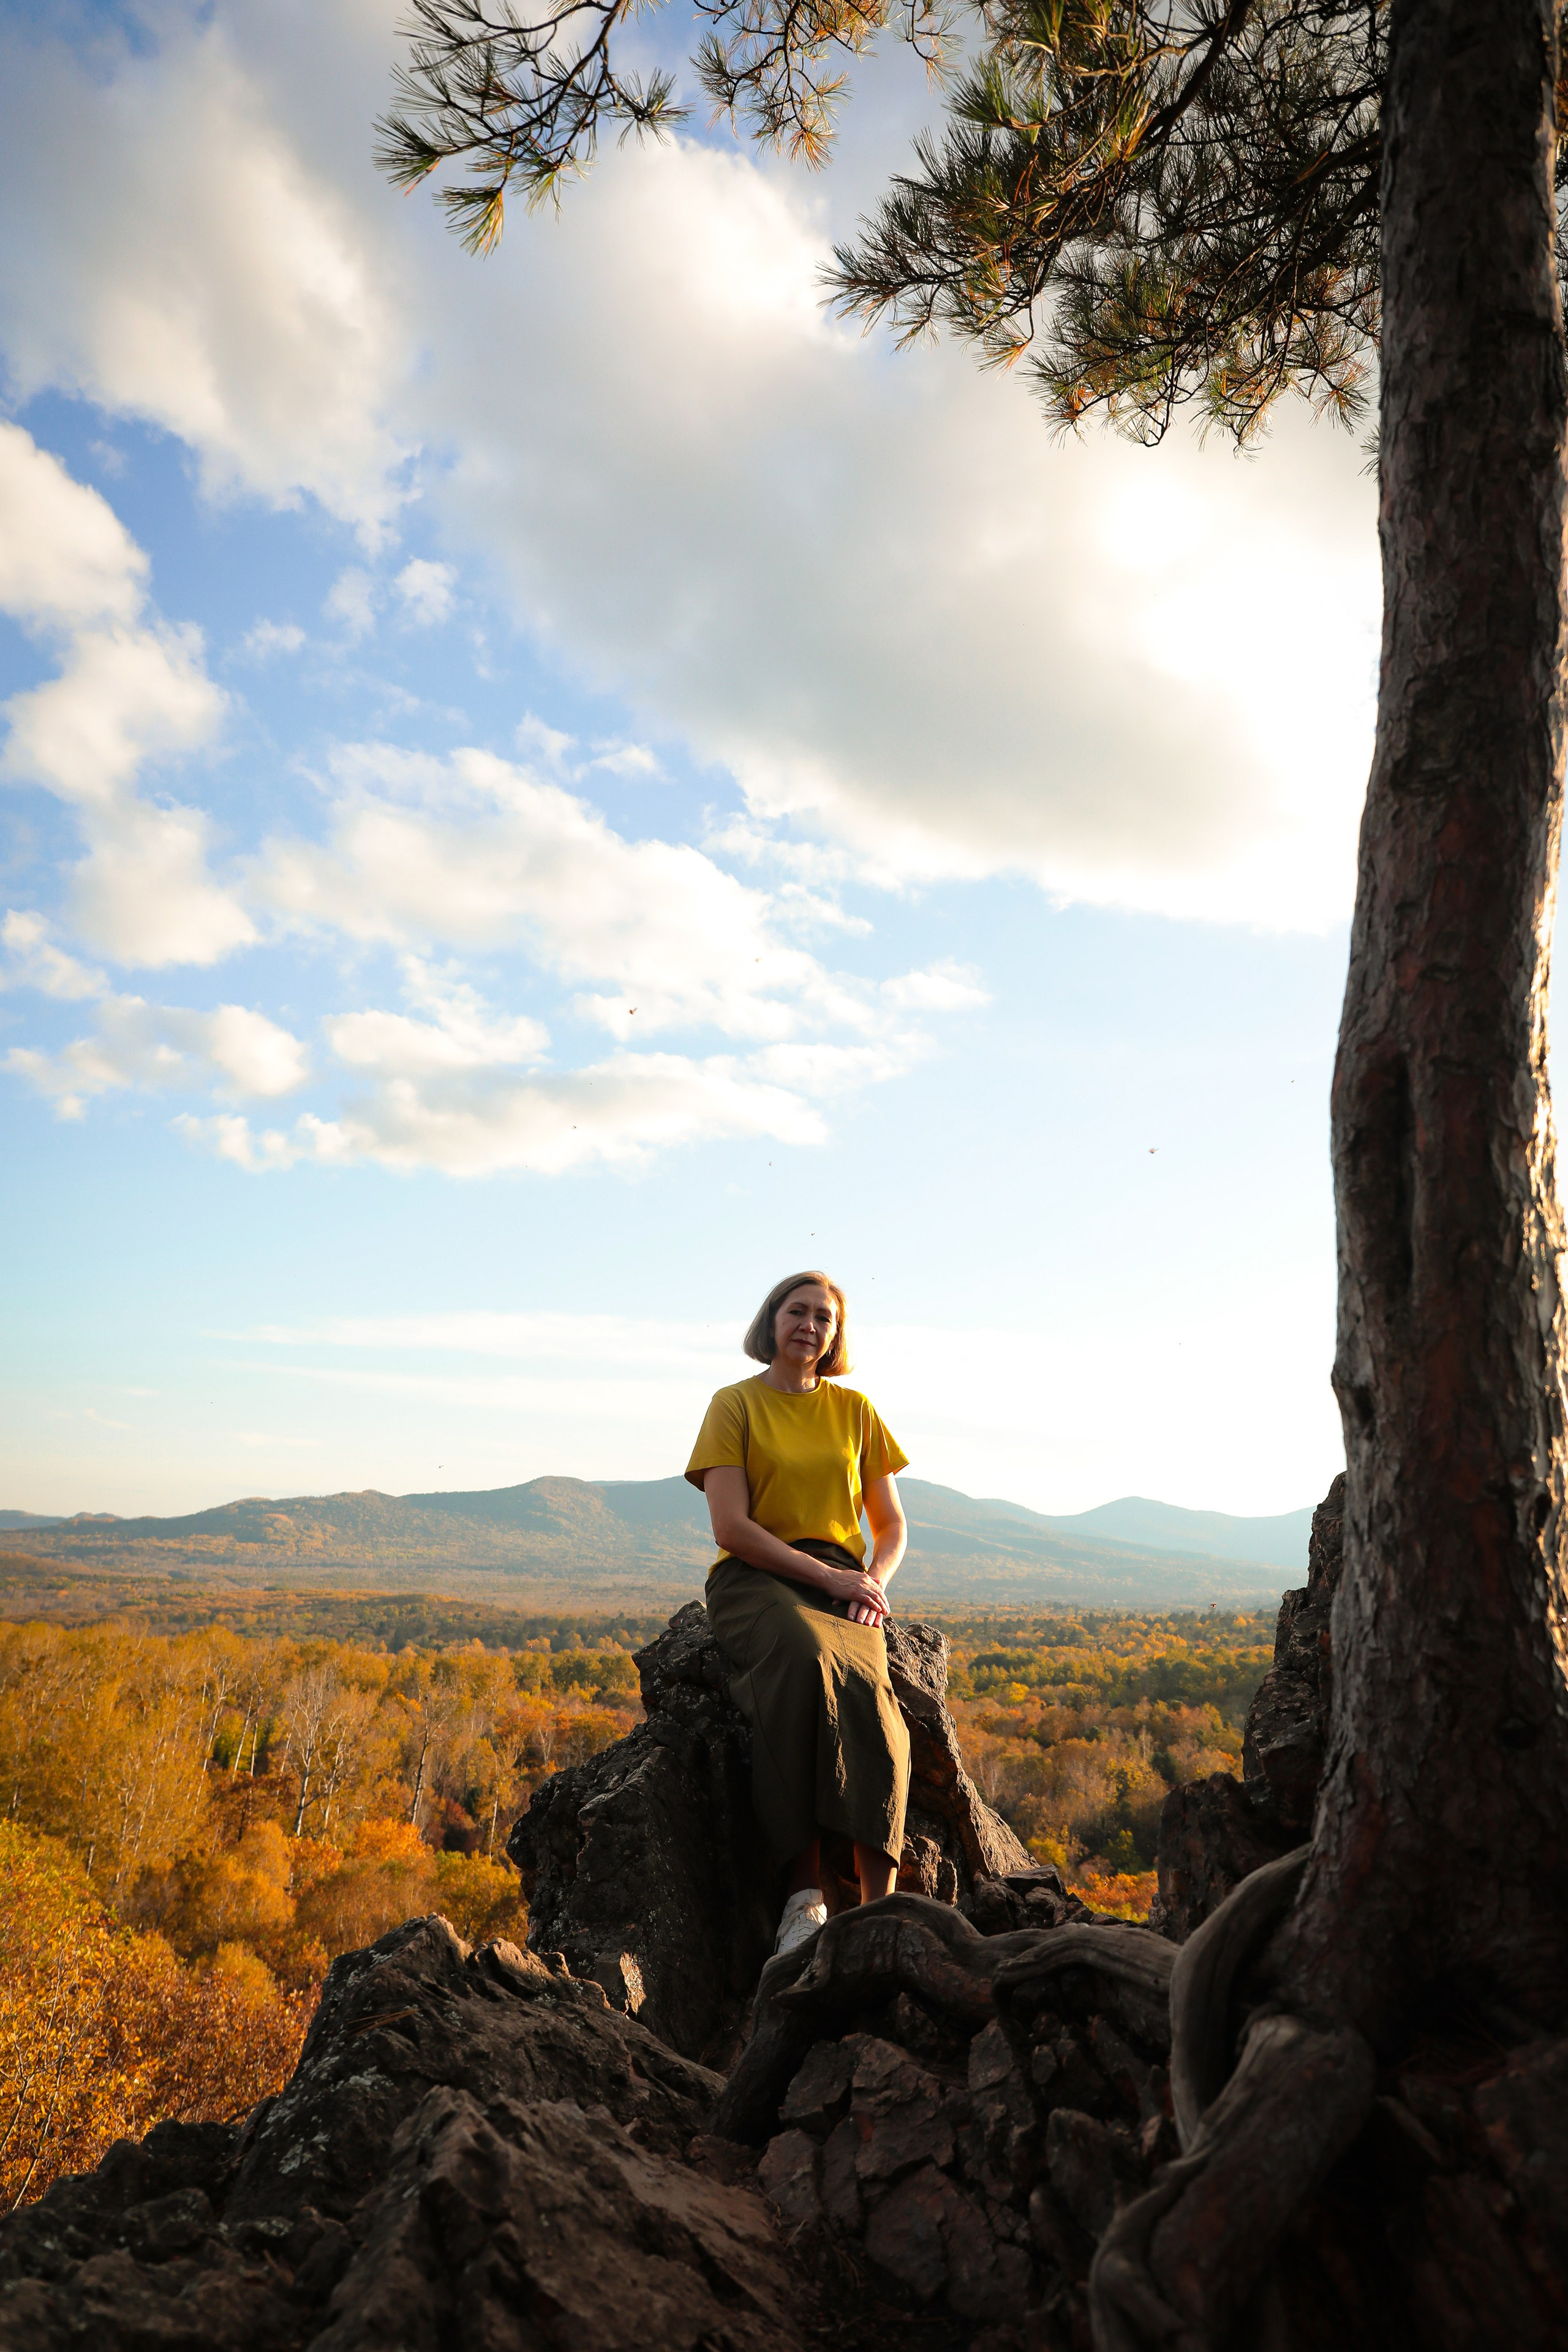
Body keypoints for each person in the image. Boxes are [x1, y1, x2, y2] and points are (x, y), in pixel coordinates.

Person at [684, 1269, 911, 1961]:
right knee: (804, 1661)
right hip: (757, 1578)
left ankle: (884, 1909)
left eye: (824, 1318)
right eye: (797, 1312)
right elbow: (731, 1526)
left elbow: (891, 1524)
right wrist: (822, 1574)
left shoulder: (856, 1411)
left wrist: (868, 1582)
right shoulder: (734, 1404)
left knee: (871, 1698)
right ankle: (802, 1899)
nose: (809, 1326)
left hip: (841, 1581)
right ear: (771, 1320)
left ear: (836, 1335)